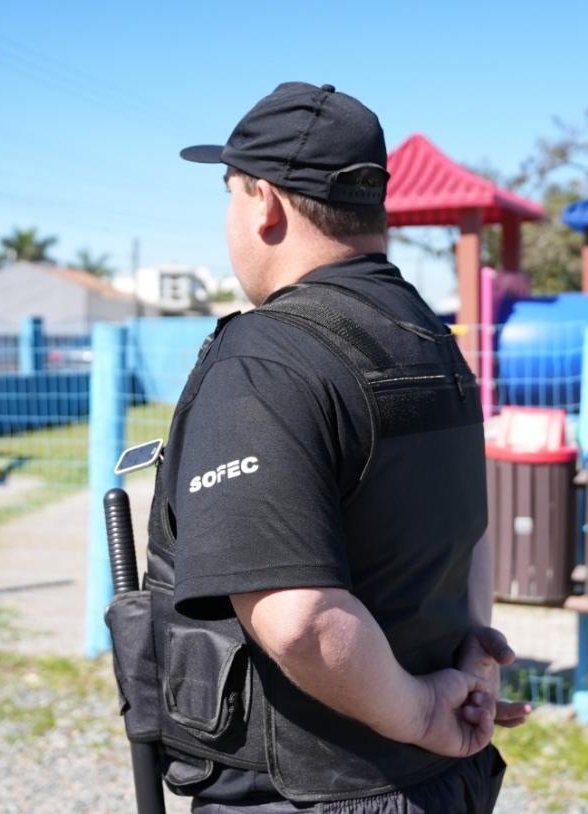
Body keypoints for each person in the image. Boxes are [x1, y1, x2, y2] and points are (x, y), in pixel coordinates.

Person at [144, 81, 529, 813]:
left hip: (311, 789)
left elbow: (300, 616)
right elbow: (468, 529)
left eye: (230, 195)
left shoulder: (265, 359)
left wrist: (421, 711)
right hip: (441, 778)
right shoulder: (429, 339)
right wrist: (473, 662)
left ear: (265, 204)